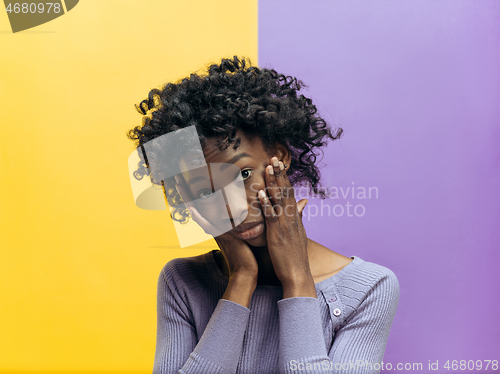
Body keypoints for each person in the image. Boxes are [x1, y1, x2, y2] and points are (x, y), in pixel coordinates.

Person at [126, 56, 400, 374]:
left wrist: (297, 279)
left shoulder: (368, 288)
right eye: (205, 191)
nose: (232, 206)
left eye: (242, 174)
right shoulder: (183, 282)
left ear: (279, 158)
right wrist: (242, 278)